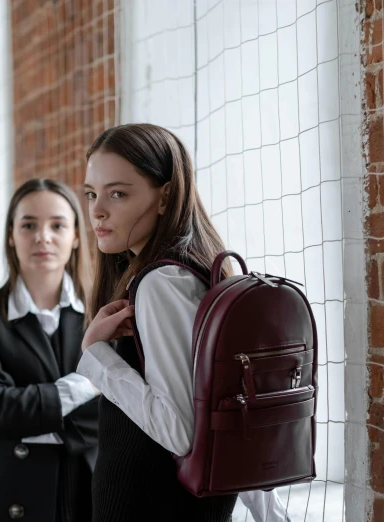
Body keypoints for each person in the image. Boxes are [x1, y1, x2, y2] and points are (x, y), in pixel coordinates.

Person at [77, 123, 288, 521]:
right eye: (91, 194)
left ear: (165, 196)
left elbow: (180, 431)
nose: (97, 210)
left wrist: (97, 356)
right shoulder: (196, 271)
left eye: (117, 193)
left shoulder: (161, 282)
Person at [0, 179, 99, 522]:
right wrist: (88, 384)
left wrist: (28, 413)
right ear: (11, 234)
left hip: (89, 490)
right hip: (11, 495)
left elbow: (113, 415)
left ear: (77, 236)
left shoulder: (102, 311)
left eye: (57, 225)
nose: (43, 236)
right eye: (29, 225)